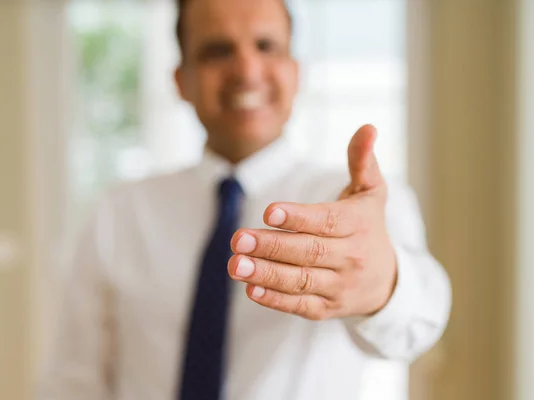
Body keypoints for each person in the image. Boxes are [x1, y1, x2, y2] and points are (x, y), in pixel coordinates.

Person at [39, 0, 451, 399]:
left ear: (295, 71)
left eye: (266, 46)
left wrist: (382, 283)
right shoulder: (118, 213)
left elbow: (417, 325)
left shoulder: (356, 206)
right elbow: (73, 381)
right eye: (218, 51)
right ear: (181, 80)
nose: (247, 70)